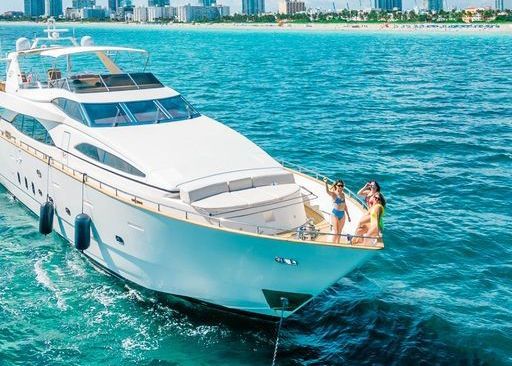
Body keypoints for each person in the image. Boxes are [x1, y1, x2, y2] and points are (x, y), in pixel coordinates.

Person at [324, 178, 351, 244]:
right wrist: (326, 183)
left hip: (342, 214)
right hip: (335, 214)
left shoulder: (343, 194)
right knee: (336, 232)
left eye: (342, 186)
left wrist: (348, 215)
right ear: (336, 186)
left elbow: (345, 205)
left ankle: (337, 244)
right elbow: (327, 191)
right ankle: (333, 245)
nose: (340, 187)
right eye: (339, 185)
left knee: (339, 232)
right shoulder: (334, 194)